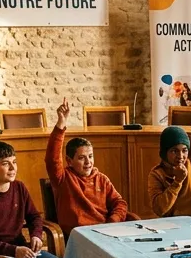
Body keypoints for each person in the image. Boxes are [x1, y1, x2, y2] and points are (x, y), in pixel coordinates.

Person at [47, 99, 130, 234]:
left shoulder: (102, 179)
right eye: (81, 158)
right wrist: (61, 123)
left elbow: (119, 203)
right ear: (69, 161)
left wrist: (112, 222)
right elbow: (52, 159)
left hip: (105, 231)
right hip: (80, 235)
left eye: (90, 156)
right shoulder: (63, 178)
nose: (88, 162)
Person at [148, 124, 191, 217]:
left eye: (184, 150)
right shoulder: (157, 174)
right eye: (174, 151)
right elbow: (159, 209)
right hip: (175, 225)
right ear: (165, 153)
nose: (181, 156)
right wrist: (177, 182)